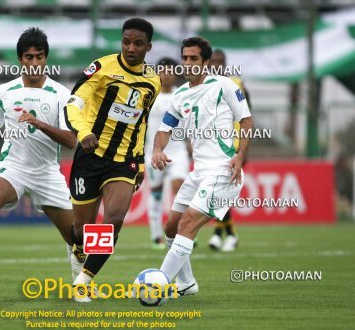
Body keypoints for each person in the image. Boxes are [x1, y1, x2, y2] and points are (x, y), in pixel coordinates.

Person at [0, 27, 80, 289]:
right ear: (20, 59)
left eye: (39, 57)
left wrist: (39, 123)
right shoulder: (3, 92)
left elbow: (71, 140)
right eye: (29, 57)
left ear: (46, 59)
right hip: (12, 167)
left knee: (77, 237)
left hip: (46, 172)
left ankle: (80, 285)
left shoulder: (62, 95)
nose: (34, 63)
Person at [64, 18, 161, 302]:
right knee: (82, 232)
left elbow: (141, 123)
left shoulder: (152, 81)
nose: (131, 48)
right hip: (89, 155)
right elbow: (74, 103)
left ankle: (83, 281)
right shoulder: (101, 68)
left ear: (148, 46)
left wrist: (140, 162)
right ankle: (79, 258)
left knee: (114, 220)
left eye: (138, 43)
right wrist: (83, 133)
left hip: (123, 161)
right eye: (126, 42)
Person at [152, 37, 253, 296]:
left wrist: (240, 156)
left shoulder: (224, 85)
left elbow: (246, 122)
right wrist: (157, 149)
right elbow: (165, 129)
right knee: (171, 227)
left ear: (206, 62)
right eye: (185, 58)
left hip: (223, 170)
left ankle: (158, 285)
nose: (188, 63)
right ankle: (186, 283)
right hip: (198, 172)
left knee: (187, 224)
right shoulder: (180, 95)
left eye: (194, 58)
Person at [208, 48, 252, 252]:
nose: (216, 65)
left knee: (219, 192)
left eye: (219, 62)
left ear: (225, 63)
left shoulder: (237, 84)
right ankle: (227, 234)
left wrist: (244, 151)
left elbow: (247, 117)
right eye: (213, 62)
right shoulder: (206, 85)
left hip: (233, 146)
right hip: (213, 146)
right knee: (218, 193)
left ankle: (222, 234)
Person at [144, 57, 190, 249]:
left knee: (179, 189)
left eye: (170, 71)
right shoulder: (149, 96)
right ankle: (156, 236)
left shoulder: (181, 95)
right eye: (163, 71)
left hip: (178, 153)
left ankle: (181, 234)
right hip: (153, 153)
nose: (167, 75)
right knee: (156, 194)